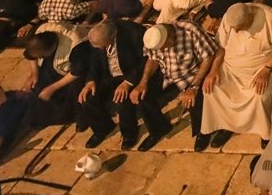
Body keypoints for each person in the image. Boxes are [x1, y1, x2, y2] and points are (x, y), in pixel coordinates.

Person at [201, 2, 272, 147]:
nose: (236, 32)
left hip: (261, 69)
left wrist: (267, 69)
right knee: (211, 90)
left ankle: (265, 132)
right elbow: (221, 47)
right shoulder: (229, 17)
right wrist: (213, 71)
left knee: (258, 97)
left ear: (250, 17)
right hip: (231, 69)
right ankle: (227, 126)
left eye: (239, 29)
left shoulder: (269, 17)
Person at [78, 20, 169, 151]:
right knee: (87, 97)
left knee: (122, 99)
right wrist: (90, 80)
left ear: (112, 36)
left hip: (131, 74)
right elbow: (95, 60)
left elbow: (146, 60)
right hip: (110, 75)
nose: (100, 49)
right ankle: (102, 128)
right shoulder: (98, 36)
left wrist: (128, 82)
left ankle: (129, 134)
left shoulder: (135, 33)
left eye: (102, 45)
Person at [137, 21, 220, 151]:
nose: (163, 50)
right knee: (142, 95)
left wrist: (194, 86)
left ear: (170, 36)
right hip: (168, 74)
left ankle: (203, 132)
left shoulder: (190, 30)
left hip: (192, 73)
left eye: (165, 47)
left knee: (193, 98)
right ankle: (159, 129)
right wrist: (143, 82)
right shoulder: (153, 35)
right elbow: (153, 59)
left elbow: (208, 57)